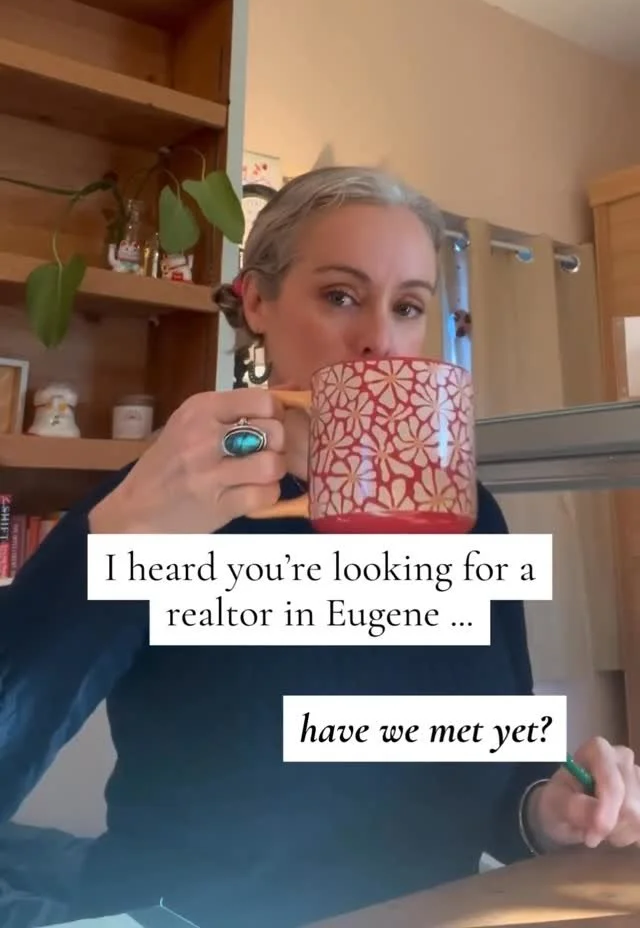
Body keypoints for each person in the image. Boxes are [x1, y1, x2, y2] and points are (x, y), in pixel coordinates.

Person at [1, 166, 639, 928]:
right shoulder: (168, 506)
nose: (379, 340)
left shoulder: (470, 521)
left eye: (408, 307)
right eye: (340, 295)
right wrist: (116, 537)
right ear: (256, 303)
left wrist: (547, 810)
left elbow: (490, 780)